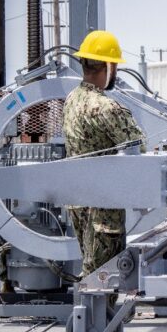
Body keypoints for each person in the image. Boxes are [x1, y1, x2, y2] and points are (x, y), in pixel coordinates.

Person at [63, 30, 146, 282]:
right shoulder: (106, 107)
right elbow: (138, 148)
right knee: (105, 277)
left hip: (78, 200)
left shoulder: (71, 99)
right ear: (108, 67)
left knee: (91, 268)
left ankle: (92, 316)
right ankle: (96, 321)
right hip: (103, 207)